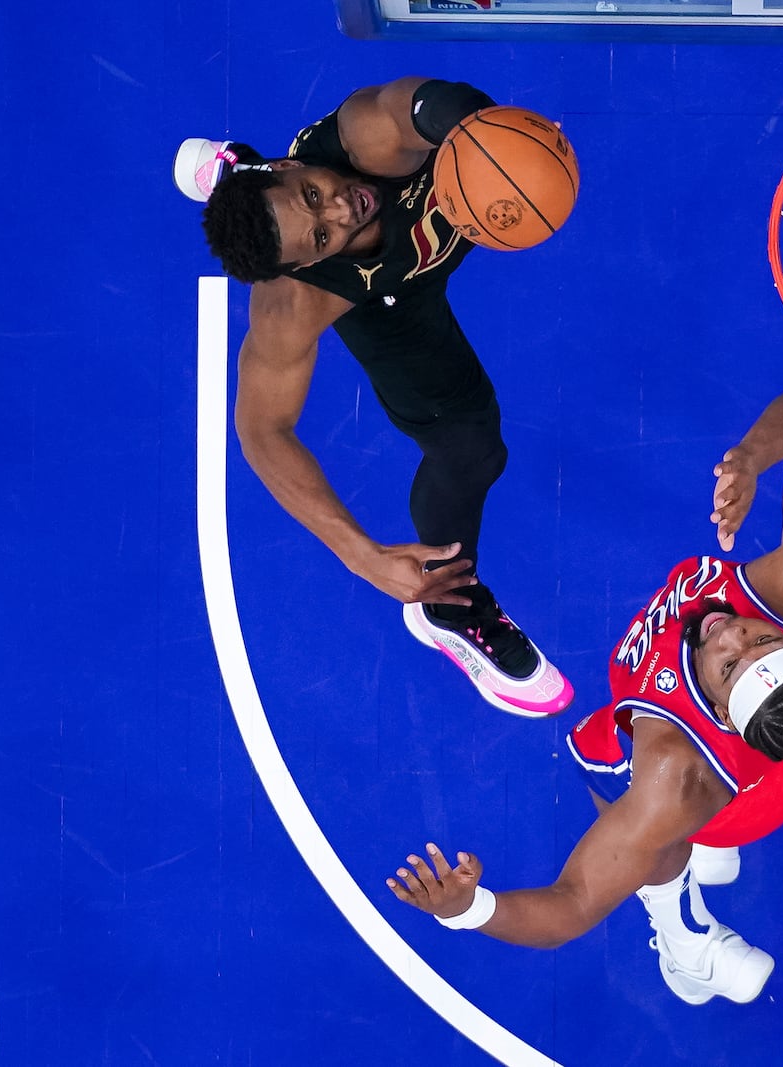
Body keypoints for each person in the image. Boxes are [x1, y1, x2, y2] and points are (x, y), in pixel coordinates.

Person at [386, 374, 783, 1005]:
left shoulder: (673, 770)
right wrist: (752, 457)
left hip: (743, 793)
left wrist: (466, 909)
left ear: (720, 709)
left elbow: (574, 903)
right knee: (660, 820)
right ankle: (700, 857)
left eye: (728, 666)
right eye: (760, 642)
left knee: (632, 802)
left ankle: (684, 941)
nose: (728, 636)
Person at [175, 77, 572, 718]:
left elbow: (419, 106)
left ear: (293, 166)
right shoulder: (299, 297)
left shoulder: (363, 147)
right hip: (390, 301)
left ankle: (237, 169)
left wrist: (486, 136)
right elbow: (262, 431)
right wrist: (364, 556)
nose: (341, 210)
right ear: (308, 264)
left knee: (463, 141)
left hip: (424, 195)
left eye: (311, 193)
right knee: (471, 449)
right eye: (321, 236)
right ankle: (449, 609)